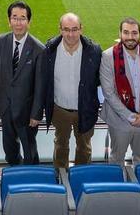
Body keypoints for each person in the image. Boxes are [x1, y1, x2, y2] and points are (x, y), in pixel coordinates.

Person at [100, 17, 140, 165]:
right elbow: (109, 92)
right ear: (120, 33)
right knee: (116, 159)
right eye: (126, 32)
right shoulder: (108, 56)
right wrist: (130, 116)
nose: (130, 37)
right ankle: (117, 189)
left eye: (134, 33)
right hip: (119, 120)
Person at [43, 13, 102, 169]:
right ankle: (60, 176)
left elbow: (98, 79)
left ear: (81, 29)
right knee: (61, 145)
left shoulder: (94, 51)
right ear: (60, 30)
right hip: (59, 109)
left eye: (74, 29)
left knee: (84, 147)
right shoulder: (50, 50)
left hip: (85, 109)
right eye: (66, 29)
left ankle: (80, 178)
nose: (70, 34)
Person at [0, 1, 46, 165]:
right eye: (14, 18)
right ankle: (14, 175)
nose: (18, 22)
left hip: (26, 112)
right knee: (9, 149)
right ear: (9, 21)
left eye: (23, 18)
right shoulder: (1, 41)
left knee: (29, 151)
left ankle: (31, 179)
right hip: (6, 107)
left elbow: (40, 85)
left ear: (29, 22)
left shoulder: (39, 49)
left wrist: (36, 114)